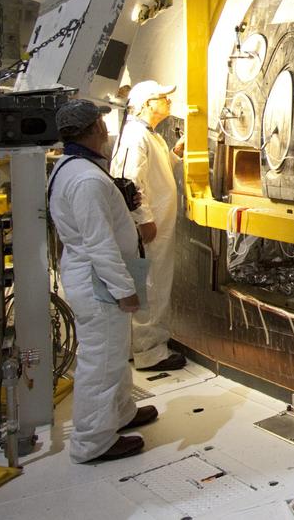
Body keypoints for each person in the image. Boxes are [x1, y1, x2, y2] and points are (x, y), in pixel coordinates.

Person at [49, 99, 158, 463]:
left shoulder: (73, 166)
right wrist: (124, 290)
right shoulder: (86, 179)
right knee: (102, 361)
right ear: (97, 129)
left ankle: (121, 412)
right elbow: (99, 243)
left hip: (98, 275)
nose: (106, 130)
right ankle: (92, 442)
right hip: (101, 281)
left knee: (114, 351)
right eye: (102, 123)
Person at [111, 80, 186, 372]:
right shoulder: (136, 136)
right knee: (153, 285)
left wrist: (176, 153)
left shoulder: (149, 135)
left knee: (151, 283)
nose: (168, 101)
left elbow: (156, 169)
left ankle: (137, 346)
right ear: (146, 104)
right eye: (162, 97)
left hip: (158, 223)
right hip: (151, 227)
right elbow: (129, 182)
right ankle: (150, 352)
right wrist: (144, 219)